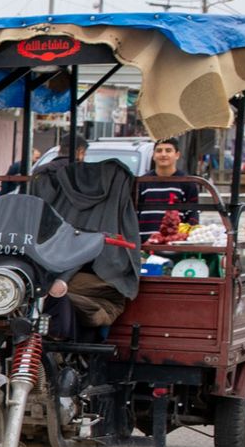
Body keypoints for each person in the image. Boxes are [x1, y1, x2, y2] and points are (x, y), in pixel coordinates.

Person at [30, 142, 142, 333]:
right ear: (81, 152)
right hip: (103, 272)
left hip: (64, 272)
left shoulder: (46, 176)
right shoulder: (114, 188)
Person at [137, 137, 206, 234]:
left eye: (168, 150)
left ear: (177, 155)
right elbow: (133, 214)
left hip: (175, 240)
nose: (163, 154)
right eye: (159, 151)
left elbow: (193, 214)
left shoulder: (187, 182)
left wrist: (186, 236)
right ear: (153, 155)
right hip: (144, 241)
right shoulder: (142, 182)